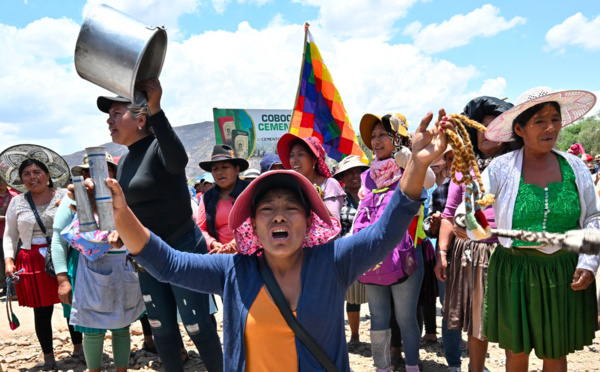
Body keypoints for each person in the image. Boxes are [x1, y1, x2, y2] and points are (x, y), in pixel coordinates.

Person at [77, 109, 454, 371]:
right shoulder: (233, 270)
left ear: (309, 222)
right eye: (266, 208)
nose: (278, 214)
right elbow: (168, 263)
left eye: (291, 207)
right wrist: (123, 216)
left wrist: (417, 166)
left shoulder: (334, 261)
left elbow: (386, 231)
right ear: (252, 226)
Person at [97, 77, 223, 372]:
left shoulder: (158, 147)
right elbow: (134, 211)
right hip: (148, 254)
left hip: (183, 247)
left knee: (197, 325)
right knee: (161, 328)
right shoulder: (126, 162)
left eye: (117, 113)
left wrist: (156, 107)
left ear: (140, 119)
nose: (109, 120)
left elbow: (179, 160)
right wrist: (121, 234)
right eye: (109, 115)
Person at [479, 87, 598, 372]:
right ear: (519, 128)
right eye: (539, 121)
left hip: (563, 271)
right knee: (516, 355)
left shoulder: (576, 168)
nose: (550, 128)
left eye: (555, 119)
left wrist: (589, 262)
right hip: (514, 270)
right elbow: (472, 207)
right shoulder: (500, 169)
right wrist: (470, 225)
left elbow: (593, 217)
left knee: (555, 354)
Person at [435, 96, 515, 372]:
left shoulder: (520, 166)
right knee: (476, 324)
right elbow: (448, 214)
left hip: (511, 252)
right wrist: (442, 253)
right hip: (473, 254)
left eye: (495, 127)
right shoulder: (464, 169)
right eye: (481, 128)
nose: (487, 133)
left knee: (511, 323)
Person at [355, 112, 436, 372]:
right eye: (373, 136)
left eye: (382, 135)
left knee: (405, 318)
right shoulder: (368, 177)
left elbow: (430, 182)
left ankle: (412, 366)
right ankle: (382, 367)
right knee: (379, 317)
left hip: (406, 255)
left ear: (396, 138)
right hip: (374, 257)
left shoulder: (409, 168)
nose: (375, 141)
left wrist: (412, 161)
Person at [52, 152, 145, 372]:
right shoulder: (73, 199)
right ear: (84, 174)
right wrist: (63, 279)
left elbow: (139, 229)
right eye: (91, 170)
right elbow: (58, 239)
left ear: (113, 173)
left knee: (122, 326)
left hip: (122, 267)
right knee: (92, 329)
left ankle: (121, 369)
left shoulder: (123, 197)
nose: (97, 175)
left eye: (105, 170)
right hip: (91, 269)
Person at [1, 145, 77, 370]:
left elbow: (81, 217)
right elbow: (10, 234)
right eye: (26, 174)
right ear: (21, 179)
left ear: (48, 175)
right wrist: (9, 260)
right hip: (32, 258)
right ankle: (49, 356)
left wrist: (69, 202)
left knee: (71, 304)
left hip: (65, 253)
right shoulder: (18, 202)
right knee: (41, 310)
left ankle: (79, 347)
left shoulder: (65, 195)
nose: (32, 177)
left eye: (37, 172)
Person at [332, 155, 369, 344]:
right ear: (343, 178)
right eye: (350, 173)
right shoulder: (340, 200)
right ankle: (354, 336)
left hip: (371, 252)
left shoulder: (371, 195)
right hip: (349, 253)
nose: (355, 175)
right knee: (352, 296)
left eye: (358, 171)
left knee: (376, 293)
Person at [277, 134, 346, 220]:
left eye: (300, 154)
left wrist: (316, 200)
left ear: (314, 160)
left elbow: (334, 224)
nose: (294, 160)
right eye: (292, 155)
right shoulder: (292, 188)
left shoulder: (330, 185)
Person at [197, 144, 250, 254]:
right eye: (215, 169)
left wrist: (237, 241)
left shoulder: (250, 190)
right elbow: (200, 229)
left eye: (225, 167)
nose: (219, 172)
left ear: (237, 170)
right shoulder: (207, 198)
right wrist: (212, 243)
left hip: (251, 253)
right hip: (220, 256)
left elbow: (260, 221)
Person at [0, 177, 19, 299]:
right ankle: (6, 287)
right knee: (2, 262)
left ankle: (14, 289)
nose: (1, 183)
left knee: (13, 261)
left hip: (13, 235)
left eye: (3, 180)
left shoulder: (14, 195)